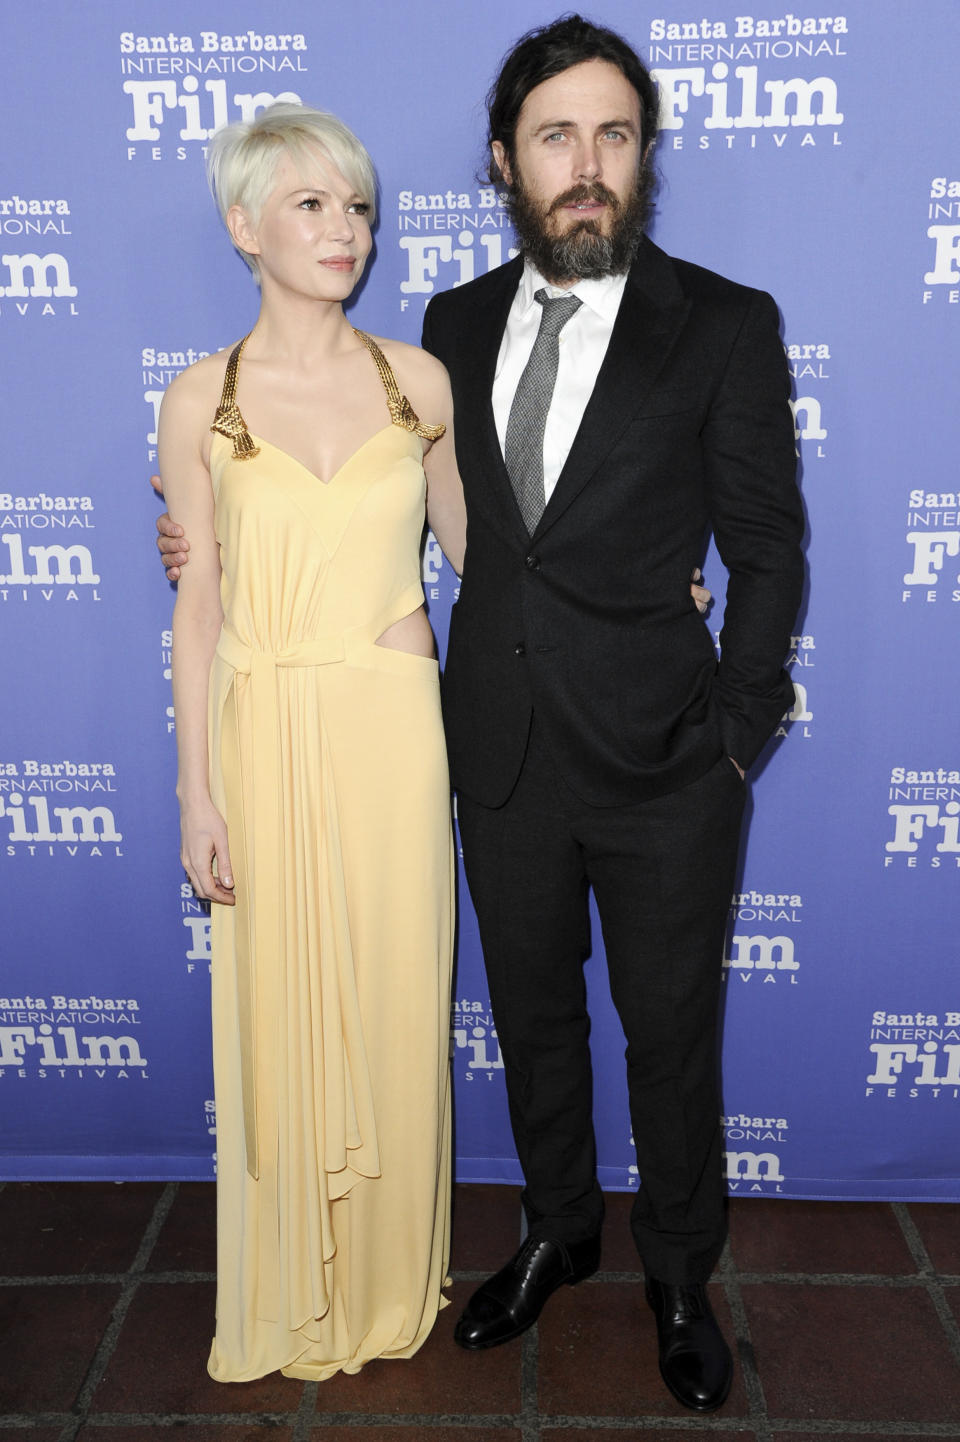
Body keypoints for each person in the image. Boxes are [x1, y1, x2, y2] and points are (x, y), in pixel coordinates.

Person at [157, 14, 803, 1412]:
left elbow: (770, 546)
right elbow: (447, 531)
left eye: (615, 135)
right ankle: (561, 1229)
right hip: (489, 748)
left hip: (668, 760)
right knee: (533, 1018)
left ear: (645, 158)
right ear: (505, 161)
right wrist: (220, 546)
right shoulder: (441, 332)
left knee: (672, 1029)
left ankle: (681, 1273)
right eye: (556, 136)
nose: (588, 164)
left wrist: (738, 735)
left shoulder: (727, 323)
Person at [159, 102, 466, 1382]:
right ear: (245, 225)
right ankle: (293, 1286)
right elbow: (199, 602)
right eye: (311, 205)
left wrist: (640, 591)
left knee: (400, 998)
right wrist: (196, 795)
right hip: (263, 728)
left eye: (357, 205)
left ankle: (395, 1276)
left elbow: (491, 558)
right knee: (281, 1021)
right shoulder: (200, 396)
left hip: (395, 733)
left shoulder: (421, 379)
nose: (347, 229)